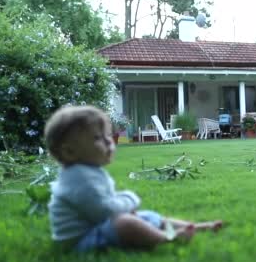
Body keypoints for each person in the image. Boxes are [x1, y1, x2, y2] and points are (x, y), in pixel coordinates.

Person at [44, 105, 222, 252]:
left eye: (108, 135)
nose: (109, 142)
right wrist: (130, 199)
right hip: (80, 242)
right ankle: (168, 239)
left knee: (146, 216)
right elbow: (104, 211)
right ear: (69, 151)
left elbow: (103, 205)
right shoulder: (78, 178)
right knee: (125, 223)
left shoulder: (86, 171)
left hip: (95, 227)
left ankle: (194, 227)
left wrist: (124, 207)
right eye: (98, 138)